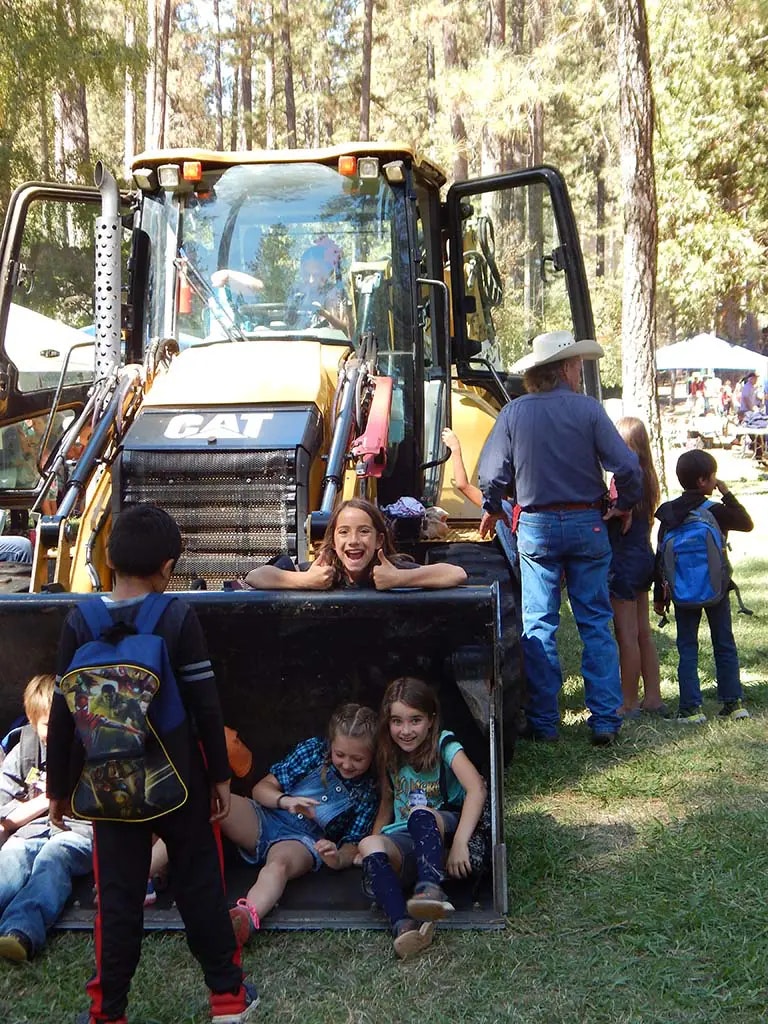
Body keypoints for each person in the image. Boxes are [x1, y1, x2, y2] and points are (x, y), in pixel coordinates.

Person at [47, 504, 258, 1024]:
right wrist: (220, 778)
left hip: (106, 786)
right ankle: (229, 1001)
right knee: (200, 889)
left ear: (110, 558)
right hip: (179, 782)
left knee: (117, 902)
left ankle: (106, 1014)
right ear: (168, 566)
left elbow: (62, 713)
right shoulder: (176, 617)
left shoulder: (81, 619)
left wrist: (58, 788)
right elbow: (205, 705)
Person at [477, 330, 642, 746]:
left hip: (536, 526)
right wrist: (624, 503)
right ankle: (605, 719)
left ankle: (545, 722)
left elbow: (490, 475)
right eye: (577, 366)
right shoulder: (588, 410)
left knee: (539, 624)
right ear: (567, 368)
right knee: (596, 624)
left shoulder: (514, 413)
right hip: (587, 523)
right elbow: (628, 468)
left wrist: (494, 505)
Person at [221, 703, 378, 944]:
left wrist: (335, 857)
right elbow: (260, 789)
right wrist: (285, 801)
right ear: (330, 745)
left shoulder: (368, 789)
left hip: (301, 841)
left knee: (279, 865)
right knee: (215, 807)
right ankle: (148, 873)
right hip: (267, 816)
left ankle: (246, 917)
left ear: (372, 755)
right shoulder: (313, 751)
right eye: (340, 755)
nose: (347, 764)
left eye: (357, 758)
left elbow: (352, 845)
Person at [358, 677, 486, 960]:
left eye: (415, 720)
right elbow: (387, 803)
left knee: (419, 814)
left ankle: (431, 891)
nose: (405, 730)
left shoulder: (444, 745)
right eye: (397, 721)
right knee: (368, 844)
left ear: (431, 720)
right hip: (405, 839)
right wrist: (373, 839)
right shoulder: (389, 752)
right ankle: (402, 924)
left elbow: (476, 787)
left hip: (441, 826)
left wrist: (461, 843)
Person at [653, 450, 753, 724]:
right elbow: (747, 524)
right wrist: (726, 493)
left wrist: (659, 597)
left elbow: (660, 558)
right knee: (724, 643)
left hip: (683, 592)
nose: (715, 480)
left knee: (687, 646)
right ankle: (733, 703)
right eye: (712, 477)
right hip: (716, 589)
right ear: (702, 481)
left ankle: (690, 708)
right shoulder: (716, 511)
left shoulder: (669, 513)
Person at [0, 674, 92, 962]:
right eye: (50, 726)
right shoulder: (24, 750)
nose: (60, 733)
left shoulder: (90, 749)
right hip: (30, 832)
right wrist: (47, 800)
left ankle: (20, 931)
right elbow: (4, 815)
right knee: (13, 856)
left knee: (54, 859)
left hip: (76, 834)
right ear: (31, 719)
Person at [243, 497, 467, 591]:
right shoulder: (319, 571)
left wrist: (400, 579)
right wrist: (304, 580)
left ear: (379, 539)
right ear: (333, 540)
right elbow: (255, 576)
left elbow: (456, 574)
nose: (353, 541)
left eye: (364, 532)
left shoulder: (391, 570)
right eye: (343, 532)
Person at [607, 418, 666, 719]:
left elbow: (613, 513)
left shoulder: (625, 478)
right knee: (643, 632)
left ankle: (628, 702)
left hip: (625, 559)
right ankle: (653, 696)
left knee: (626, 634)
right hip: (644, 555)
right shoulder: (649, 475)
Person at [287, 239, 353, 335]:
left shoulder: (335, 293)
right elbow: (287, 323)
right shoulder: (296, 293)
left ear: (326, 273)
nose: (311, 280)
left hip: (326, 345)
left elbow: (346, 330)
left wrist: (325, 314)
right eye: (307, 274)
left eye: (316, 275)